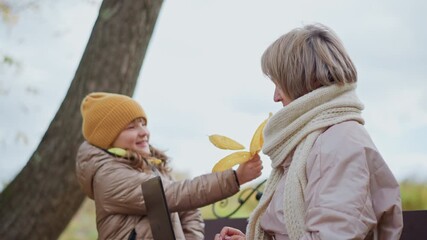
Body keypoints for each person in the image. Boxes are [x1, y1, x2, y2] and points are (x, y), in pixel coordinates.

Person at [215, 23, 403, 240]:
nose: (275, 97)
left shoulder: (340, 144)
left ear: (302, 81)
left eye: (279, 84)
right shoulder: (316, 140)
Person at [75, 92, 263, 240]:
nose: (144, 132)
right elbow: (171, 195)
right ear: (108, 138)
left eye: (143, 124)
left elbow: (188, 210)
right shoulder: (109, 176)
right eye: (131, 127)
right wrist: (235, 178)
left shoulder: (150, 166)